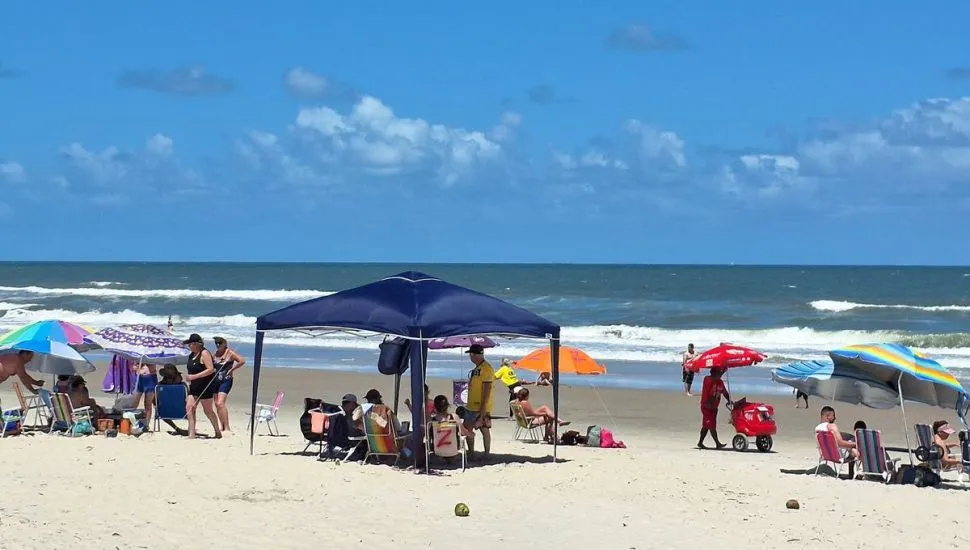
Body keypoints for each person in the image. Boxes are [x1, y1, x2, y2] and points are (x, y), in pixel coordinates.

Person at [182, 333, 221, 439]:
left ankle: (217, 431)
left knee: (208, 411)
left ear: (196, 344)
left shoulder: (204, 353)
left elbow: (211, 369)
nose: (189, 346)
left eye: (190, 344)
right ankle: (191, 433)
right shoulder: (191, 355)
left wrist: (194, 376)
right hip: (194, 387)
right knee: (190, 407)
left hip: (205, 386)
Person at [461, 344, 494, 459]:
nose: (470, 357)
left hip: (480, 406)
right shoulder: (476, 368)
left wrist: (483, 409)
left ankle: (486, 453)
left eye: (471, 354)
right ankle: (471, 453)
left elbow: (487, 389)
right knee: (467, 429)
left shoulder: (486, 368)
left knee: (484, 429)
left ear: (475, 355)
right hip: (471, 406)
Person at [212, 336, 246, 433]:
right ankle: (221, 426)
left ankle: (227, 427)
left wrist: (232, 369)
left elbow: (242, 361)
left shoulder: (230, 353)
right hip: (215, 380)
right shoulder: (215, 354)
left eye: (220, 342)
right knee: (216, 404)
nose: (218, 344)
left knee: (220, 403)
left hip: (226, 380)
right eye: (216, 343)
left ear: (224, 343)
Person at [815, 406, 859, 475]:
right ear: (828, 416)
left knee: (850, 441)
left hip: (826, 455)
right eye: (833, 415)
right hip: (837, 456)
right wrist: (857, 444)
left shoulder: (818, 429)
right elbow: (840, 443)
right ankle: (864, 472)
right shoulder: (832, 426)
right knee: (855, 448)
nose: (835, 418)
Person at [698, 367, 730, 449]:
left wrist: (729, 400)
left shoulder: (720, 382)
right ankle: (718, 443)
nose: (719, 374)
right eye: (718, 373)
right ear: (713, 373)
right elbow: (711, 384)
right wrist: (722, 371)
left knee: (706, 425)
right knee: (711, 425)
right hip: (706, 406)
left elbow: (725, 392)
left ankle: (700, 443)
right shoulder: (707, 379)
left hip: (714, 407)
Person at [129, 361, 158, 430]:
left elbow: (153, 365)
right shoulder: (139, 354)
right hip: (140, 378)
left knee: (148, 404)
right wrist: (136, 367)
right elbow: (133, 367)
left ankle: (146, 425)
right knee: (133, 402)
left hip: (150, 378)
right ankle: (131, 422)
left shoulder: (151, 355)